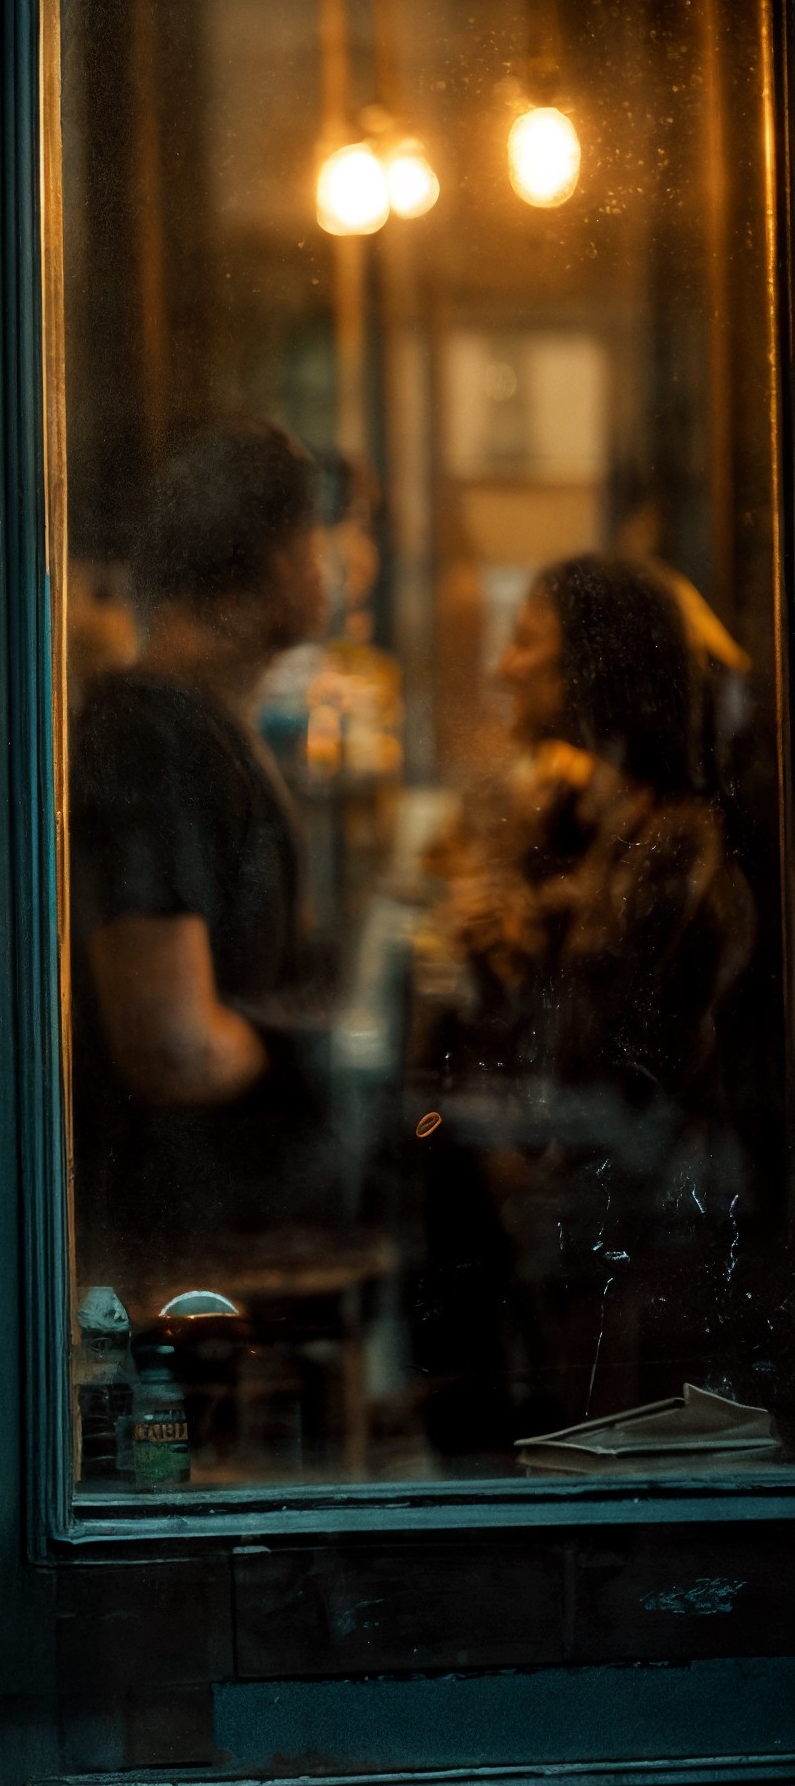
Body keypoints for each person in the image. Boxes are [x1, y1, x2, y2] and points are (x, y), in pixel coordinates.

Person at [411, 552, 774, 1442]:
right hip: (611, 1270)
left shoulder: (675, 847)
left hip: (653, 1289)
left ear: (596, 662)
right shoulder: (621, 829)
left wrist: (515, 1156)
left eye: (527, 640)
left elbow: (641, 1095)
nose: (503, 667)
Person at [70, 420, 344, 1253]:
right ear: (263, 556)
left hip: (227, 1242)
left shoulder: (204, 724)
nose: (329, 561)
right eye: (316, 534)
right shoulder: (146, 733)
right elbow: (173, 1046)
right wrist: (319, 1058)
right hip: (183, 1262)